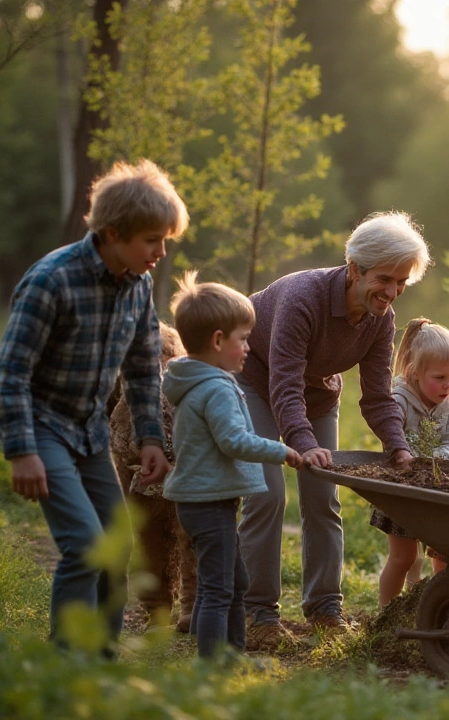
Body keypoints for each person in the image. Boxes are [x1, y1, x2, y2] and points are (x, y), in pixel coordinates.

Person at [0, 159, 186, 650]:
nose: (161, 253)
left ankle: (100, 661)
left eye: (165, 241)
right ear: (113, 232)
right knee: (83, 546)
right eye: (151, 241)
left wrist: (150, 440)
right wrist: (21, 451)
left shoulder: (138, 286)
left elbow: (143, 369)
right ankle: (65, 663)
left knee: (116, 546)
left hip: (90, 433)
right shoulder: (51, 281)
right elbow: (10, 372)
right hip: (43, 428)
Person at [238, 211, 431, 647]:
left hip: (317, 393)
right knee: (267, 494)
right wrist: (302, 444)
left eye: (401, 283)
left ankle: (325, 608)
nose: (392, 292)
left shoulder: (382, 318)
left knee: (323, 498)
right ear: (354, 269)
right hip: (254, 381)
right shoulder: (302, 299)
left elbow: (377, 396)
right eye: (384, 279)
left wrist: (397, 445)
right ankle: (258, 614)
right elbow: (282, 385)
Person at [158, 271, 303, 659]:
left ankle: (233, 655)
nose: (248, 347)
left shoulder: (197, 381)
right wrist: (281, 450)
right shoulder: (216, 388)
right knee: (218, 588)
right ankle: (214, 665)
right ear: (218, 341)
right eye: (243, 339)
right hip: (207, 503)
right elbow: (233, 441)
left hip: (206, 501)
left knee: (233, 582)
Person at [108, 321, 197, 632]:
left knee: (162, 530)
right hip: (149, 452)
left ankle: (173, 606)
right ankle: (174, 605)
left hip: (152, 454)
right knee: (173, 529)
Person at [373, 318, 449, 607]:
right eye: (440, 377)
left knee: (443, 555)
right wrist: (413, 457)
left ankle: (436, 607)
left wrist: (437, 456)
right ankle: (386, 613)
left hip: (435, 489)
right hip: (402, 489)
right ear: (414, 372)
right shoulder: (397, 401)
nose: (448, 385)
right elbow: (392, 440)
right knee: (404, 557)